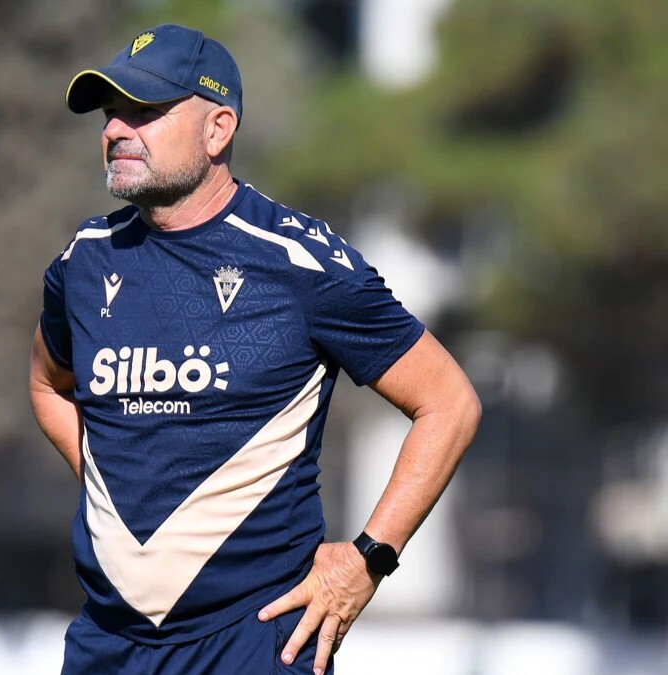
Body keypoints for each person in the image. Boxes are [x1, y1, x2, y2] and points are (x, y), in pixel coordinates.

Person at [29, 23, 481, 675]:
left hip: (256, 645)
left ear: (218, 129)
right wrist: (106, 481)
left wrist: (367, 559)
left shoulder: (299, 262)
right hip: (109, 647)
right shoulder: (84, 261)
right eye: (111, 112)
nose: (116, 130)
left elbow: (449, 403)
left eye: (146, 111)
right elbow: (48, 385)